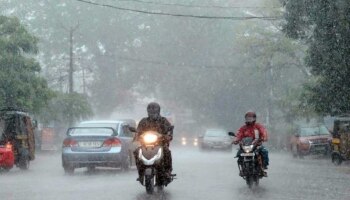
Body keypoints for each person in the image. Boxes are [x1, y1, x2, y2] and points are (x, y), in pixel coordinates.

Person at [133, 102, 173, 184]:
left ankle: (168, 171)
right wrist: (137, 135)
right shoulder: (144, 121)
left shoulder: (163, 120)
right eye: (150, 111)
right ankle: (140, 171)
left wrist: (168, 136)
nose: (152, 113)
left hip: (160, 144)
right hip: (145, 145)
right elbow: (138, 131)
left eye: (154, 111)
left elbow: (169, 131)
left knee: (167, 151)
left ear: (158, 111)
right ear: (148, 111)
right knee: (136, 151)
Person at [233, 111, 269, 176]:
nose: (249, 120)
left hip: (256, 145)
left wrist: (264, 137)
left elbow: (263, 132)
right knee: (239, 154)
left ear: (254, 118)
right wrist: (236, 140)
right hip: (246, 146)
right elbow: (239, 134)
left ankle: (263, 167)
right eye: (248, 118)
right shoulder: (243, 128)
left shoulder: (258, 126)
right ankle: (242, 169)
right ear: (245, 119)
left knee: (264, 152)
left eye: (251, 118)